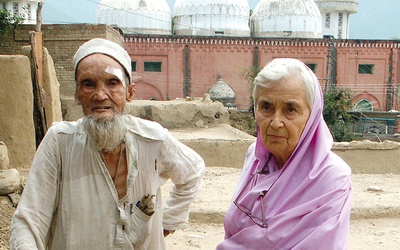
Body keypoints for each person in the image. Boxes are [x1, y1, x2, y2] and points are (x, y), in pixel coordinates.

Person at [10, 38, 205, 249]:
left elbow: (193, 171)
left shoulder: (153, 140)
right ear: (77, 94)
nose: (100, 95)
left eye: (112, 83)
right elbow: (29, 222)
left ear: (129, 92)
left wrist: (168, 222)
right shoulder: (60, 142)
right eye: (88, 84)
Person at [217, 58, 352, 249]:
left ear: (312, 114)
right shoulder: (255, 159)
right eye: (266, 107)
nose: (275, 122)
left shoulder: (331, 178)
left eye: (290, 109)